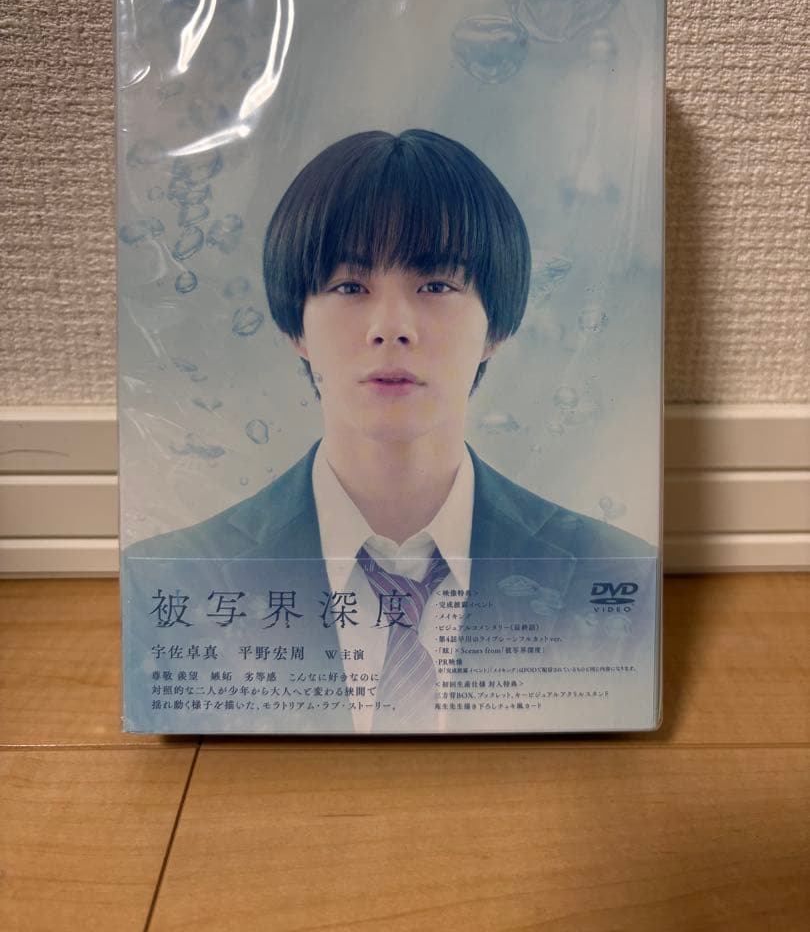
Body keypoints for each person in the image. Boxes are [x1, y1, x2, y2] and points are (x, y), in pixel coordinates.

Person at [126, 129, 655, 734]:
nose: (391, 327)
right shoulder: (173, 577)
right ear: (295, 326)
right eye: (350, 287)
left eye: (436, 286)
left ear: (497, 328)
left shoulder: (616, 573)